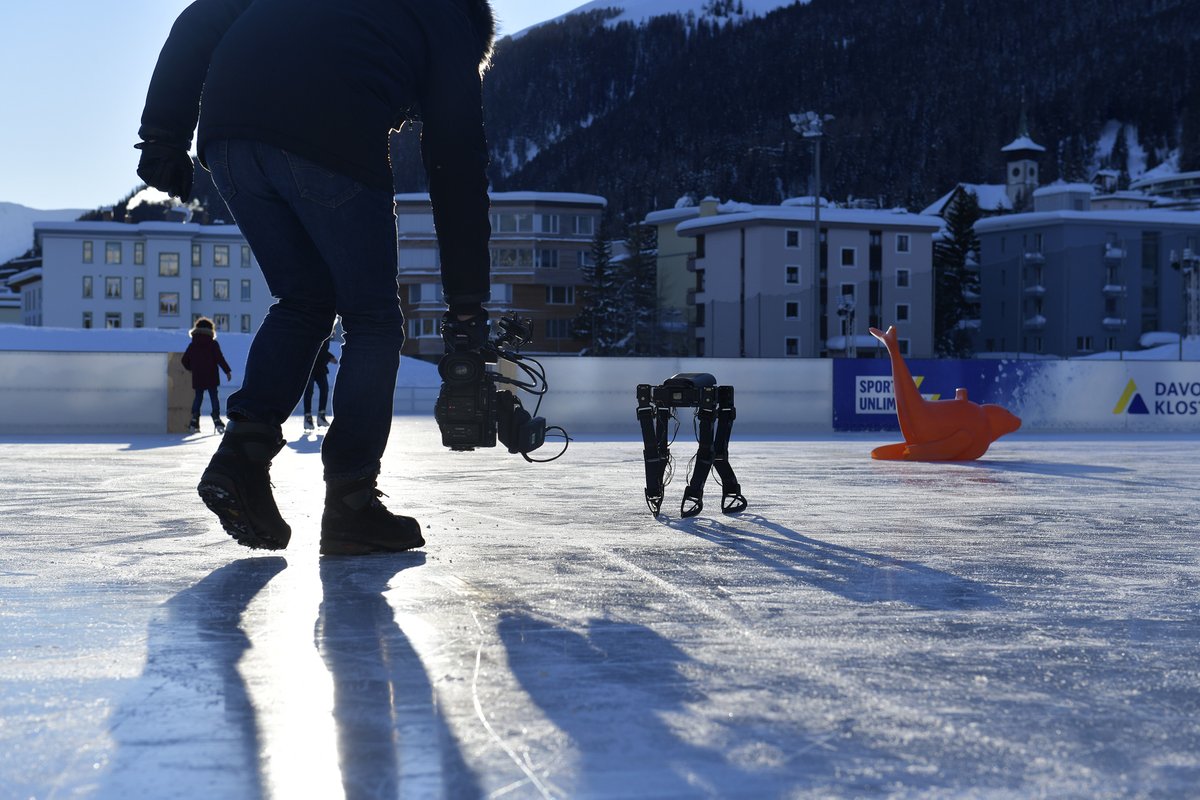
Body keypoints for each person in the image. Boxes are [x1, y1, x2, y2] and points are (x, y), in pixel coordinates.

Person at [137, 0, 496, 556]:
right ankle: (352, 502)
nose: (406, 118)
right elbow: (457, 163)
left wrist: (163, 134)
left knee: (303, 298)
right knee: (373, 319)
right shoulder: (451, 21)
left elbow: (202, 16)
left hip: (230, 135)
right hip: (330, 131)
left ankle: (242, 458)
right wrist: (467, 304)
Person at [181, 316, 233, 434]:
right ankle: (216, 418)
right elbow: (220, 358)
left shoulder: (193, 344)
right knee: (213, 397)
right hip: (211, 376)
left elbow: (184, 360)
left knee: (198, 397)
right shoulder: (213, 344)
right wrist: (227, 371)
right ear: (210, 330)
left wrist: (192, 368)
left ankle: (194, 419)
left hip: (198, 376)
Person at [303, 335, 338, 432]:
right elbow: (314, 347)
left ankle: (321, 416)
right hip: (310, 366)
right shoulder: (317, 330)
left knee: (324, 388)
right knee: (309, 390)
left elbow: (322, 350)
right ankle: (308, 417)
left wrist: (329, 357)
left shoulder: (327, 336)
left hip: (320, 367)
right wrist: (330, 357)